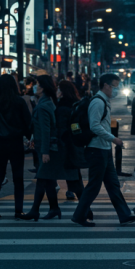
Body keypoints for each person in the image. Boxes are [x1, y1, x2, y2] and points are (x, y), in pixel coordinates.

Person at [70, 73, 135, 227]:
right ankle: (79, 215)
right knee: (94, 185)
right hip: (96, 149)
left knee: (113, 184)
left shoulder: (104, 101)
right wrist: (113, 138)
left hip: (104, 149)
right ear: (106, 85)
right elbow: (95, 126)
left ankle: (125, 214)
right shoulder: (98, 102)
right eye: (115, 86)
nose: (116, 90)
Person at [0, 75, 32, 219]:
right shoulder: (19, 102)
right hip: (16, 142)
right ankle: (18, 210)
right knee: (18, 178)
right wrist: (25, 136)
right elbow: (28, 123)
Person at [21, 75, 66, 220]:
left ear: (43, 87)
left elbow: (46, 130)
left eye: (37, 84)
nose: (34, 87)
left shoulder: (43, 105)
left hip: (45, 148)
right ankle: (54, 208)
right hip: (46, 146)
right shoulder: (48, 102)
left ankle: (36, 210)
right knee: (48, 180)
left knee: (42, 178)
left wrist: (45, 151)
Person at [56, 81, 87, 209]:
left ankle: (85, 208)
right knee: (74, 175)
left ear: (62, 92)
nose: (56, 91)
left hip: (66, 146)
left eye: (58, 89)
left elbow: (62, 128)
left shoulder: (62, 107)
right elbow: (75, 127)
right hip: (74, 144)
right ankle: (84, 206)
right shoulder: (75, 104)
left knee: (74, 177)